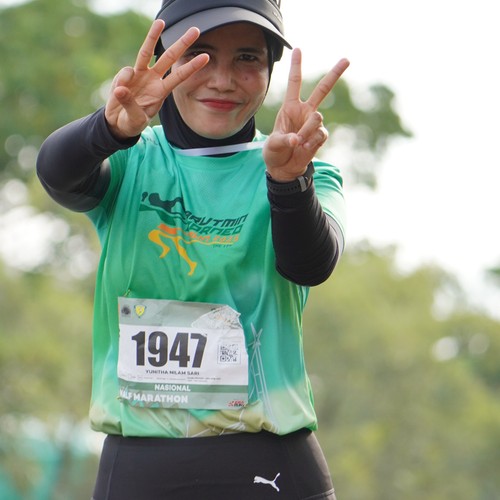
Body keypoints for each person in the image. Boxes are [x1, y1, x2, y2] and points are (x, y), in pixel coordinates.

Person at [36, 0, 349, 498]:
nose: (222, 81)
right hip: (138, 469)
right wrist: (107, 130)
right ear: (166, 61)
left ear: (269, 70)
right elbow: (56, 173)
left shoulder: (304, 172)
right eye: (199, 56)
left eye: (247, 58)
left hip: (273, 467)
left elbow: (310, 264)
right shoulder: (131, 161)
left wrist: (289, 183)